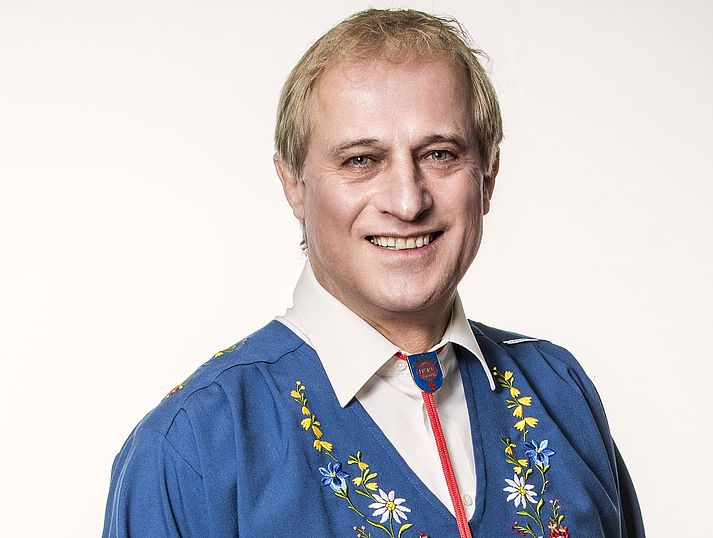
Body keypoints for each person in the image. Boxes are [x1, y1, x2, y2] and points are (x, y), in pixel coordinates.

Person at [103, 8, 645, 538]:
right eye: (361, 160)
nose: (407, 202)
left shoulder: (558, 390)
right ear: (293, 182)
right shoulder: (193, 446)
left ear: (489, 175)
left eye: (439, 154)